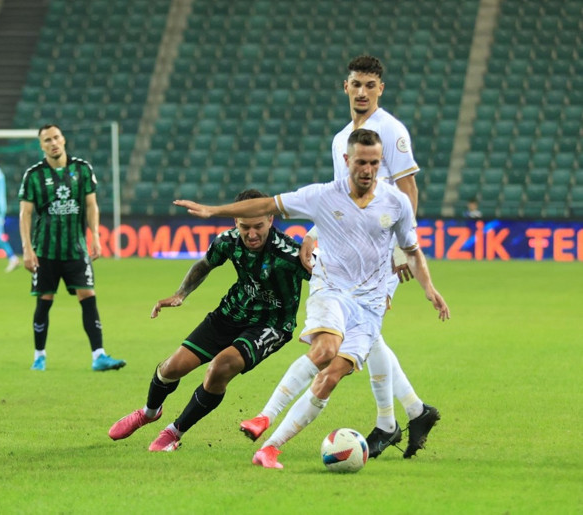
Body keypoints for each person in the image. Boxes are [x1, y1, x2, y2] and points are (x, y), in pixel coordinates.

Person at [175, 129, 450, 469]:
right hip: (331, 289)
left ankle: (271, 448)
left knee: (331, 376)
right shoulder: (322, 195)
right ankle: (264, 416)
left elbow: (412, 250)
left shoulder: (396, 203)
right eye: (361, 162)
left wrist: (429, 288)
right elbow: (265, 204)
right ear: (347, 161)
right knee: (324, 350)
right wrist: (212, 210)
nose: (367, 169)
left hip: (370, 305)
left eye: (375, 163)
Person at [240, 55, 440, 460]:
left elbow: (408, 191)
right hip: (345, 253)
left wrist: (403, 249)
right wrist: (313, 234)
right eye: (356, 84)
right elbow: (338, 200)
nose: (362, 92)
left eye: (370, 84)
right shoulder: (340, 139)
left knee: (365, 333)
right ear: (345, 87)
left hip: (381, 254)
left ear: (380, 89)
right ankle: (409, 414)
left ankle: (394, 419)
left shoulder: (391, 131)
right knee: (367, 334)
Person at [108, 189, 312, 451]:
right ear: (235, 222)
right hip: (230, 313)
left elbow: (328, 279)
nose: (251, 234)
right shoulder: (227, 241)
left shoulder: (291, 255)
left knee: (219, 368)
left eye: (258, 226)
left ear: (271, 220)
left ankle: (174, 431)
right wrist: (180, 294)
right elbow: (205, 264)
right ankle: (149, 412)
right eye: (244, 227)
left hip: (271, 325)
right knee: (171, 368)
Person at [18, 124, 125, 372]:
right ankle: (39, 356)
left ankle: (98, 356)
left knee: (88, 297)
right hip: (45, 251)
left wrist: (95, 237)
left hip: (76, 249)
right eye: (47, 140)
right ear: (41, 145)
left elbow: (91, 206)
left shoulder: (82, 169)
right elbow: (25, 214)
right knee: (44, 301)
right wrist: (27, 249)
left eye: (56, 137)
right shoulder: (33, 175)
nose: (53, 143)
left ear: (63, 140)